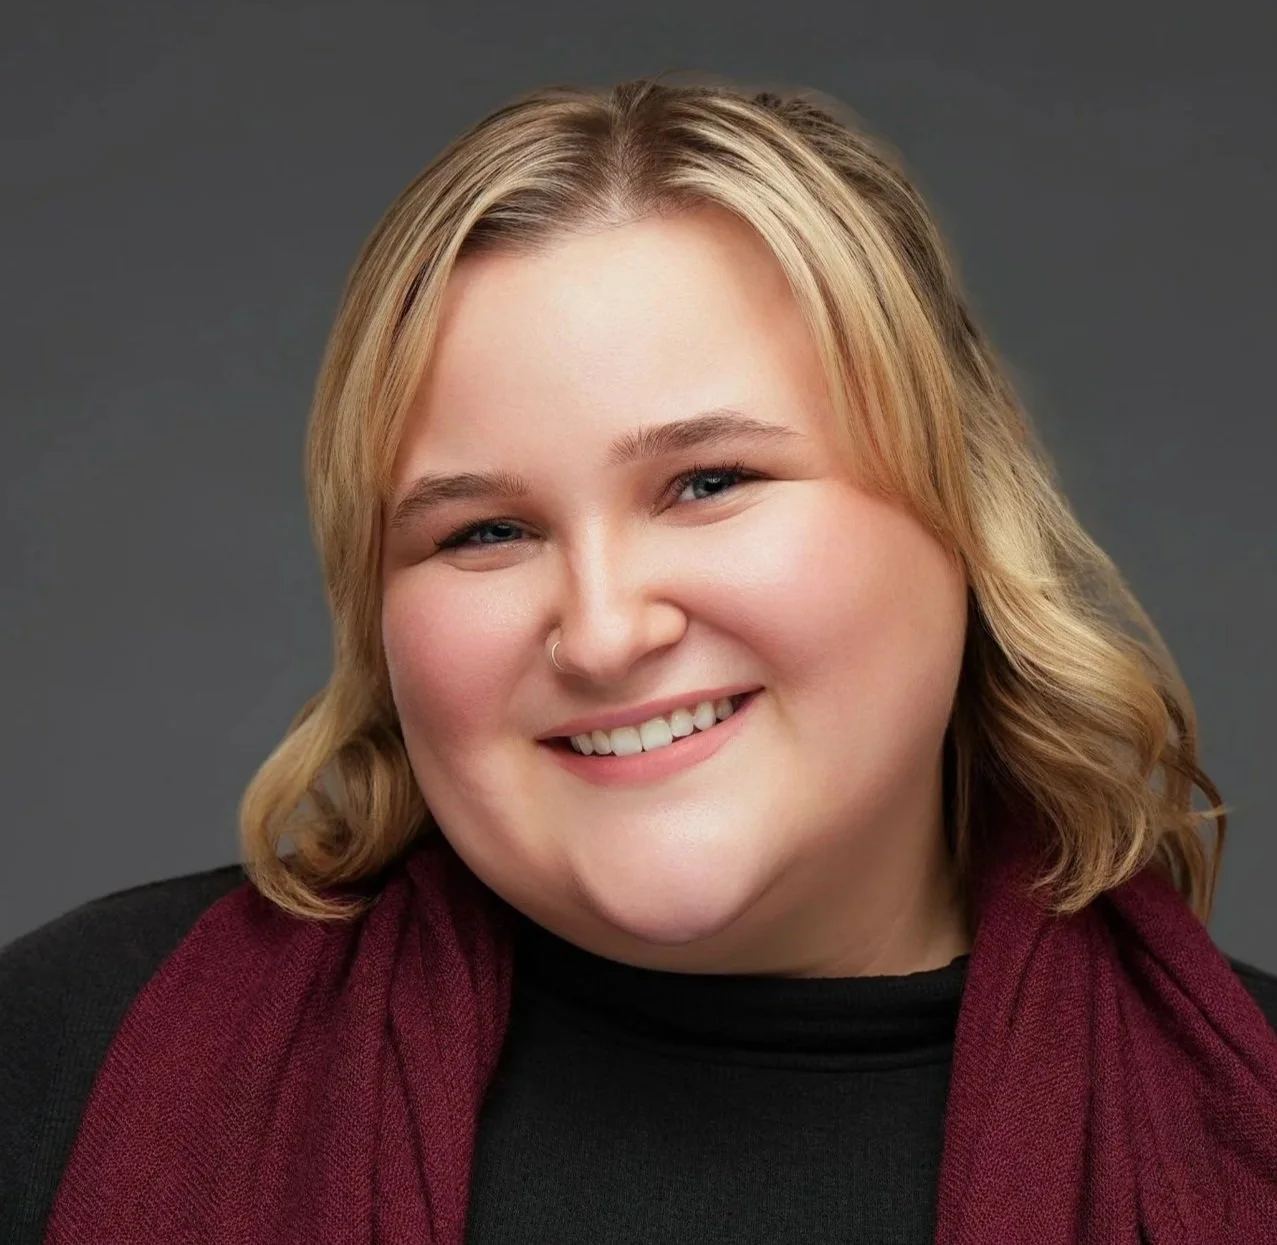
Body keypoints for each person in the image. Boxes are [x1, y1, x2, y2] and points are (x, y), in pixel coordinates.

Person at [2, 76, 1275, 1245]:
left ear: (963, 498)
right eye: (483, 531)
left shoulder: (1245, 1124)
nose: (605, 632)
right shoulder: (77, 1046)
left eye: (708, 481)